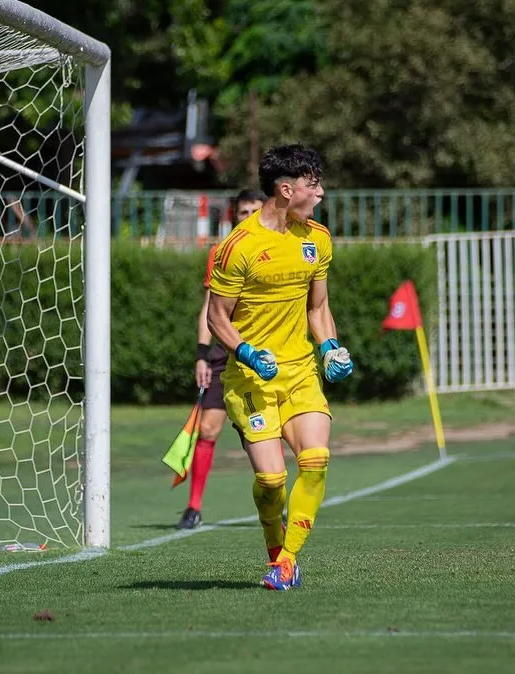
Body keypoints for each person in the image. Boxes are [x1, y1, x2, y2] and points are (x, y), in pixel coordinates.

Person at [207, 144, 353, 590]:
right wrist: (248, 353)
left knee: (316, 460)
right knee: (271, 480)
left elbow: (319, 307)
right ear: (286, 190)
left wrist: (330, 347)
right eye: (314, 185)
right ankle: (276, 553)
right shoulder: (238, 247)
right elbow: (217, 318)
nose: (322, 193)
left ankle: (286, 563)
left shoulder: (317, 239)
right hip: (250, 378)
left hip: (300, 373)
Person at [177, 189, 266, 530]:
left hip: (261, 355)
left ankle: (273, 497)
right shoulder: (221, 253)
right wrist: (201, 354)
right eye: (242, 212)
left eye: (254, 211)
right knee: (208, 428)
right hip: (222, 355)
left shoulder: (277, 249)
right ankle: (194, 507)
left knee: (259, 433)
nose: (248, 217)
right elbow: (210, 309)